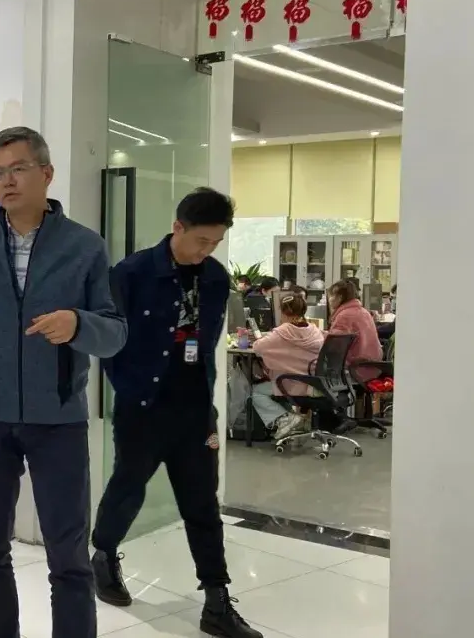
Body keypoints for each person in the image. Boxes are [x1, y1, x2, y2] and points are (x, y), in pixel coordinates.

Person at [0, 126, 127, 638]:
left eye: (18, 169)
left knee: (68, 556)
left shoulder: (84, 246)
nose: (6, 181)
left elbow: (115, 333)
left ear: (46, 173)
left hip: (58, 419)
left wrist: (78, 324)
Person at [92, 187, 262, 638]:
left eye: (215, 243)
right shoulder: (131, 273)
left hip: (194, 411)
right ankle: (103, 555)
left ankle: (217, 601)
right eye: (201, 240)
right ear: (177, 228)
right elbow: (110, 342)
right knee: (128, 488)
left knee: (203, 504)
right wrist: (128, 388)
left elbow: (205, 345)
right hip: (142, 409)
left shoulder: (216, 278)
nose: (207, 250)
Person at [250, 293, 325, 440]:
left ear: (283, 312)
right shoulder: (314, 330)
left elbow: (258, 347)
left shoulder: (283, 332)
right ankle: (294, 420)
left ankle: (284, 418)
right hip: (314, 384)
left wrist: (262, 337)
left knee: (257, 392)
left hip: (292, 384)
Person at [327, 279, 383, 365]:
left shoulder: (344, 316)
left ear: (340, 297)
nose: (329, 299)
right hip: (373, 366)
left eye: (331, 295)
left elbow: (333, 347)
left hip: (355, 367)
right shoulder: (364, 312)